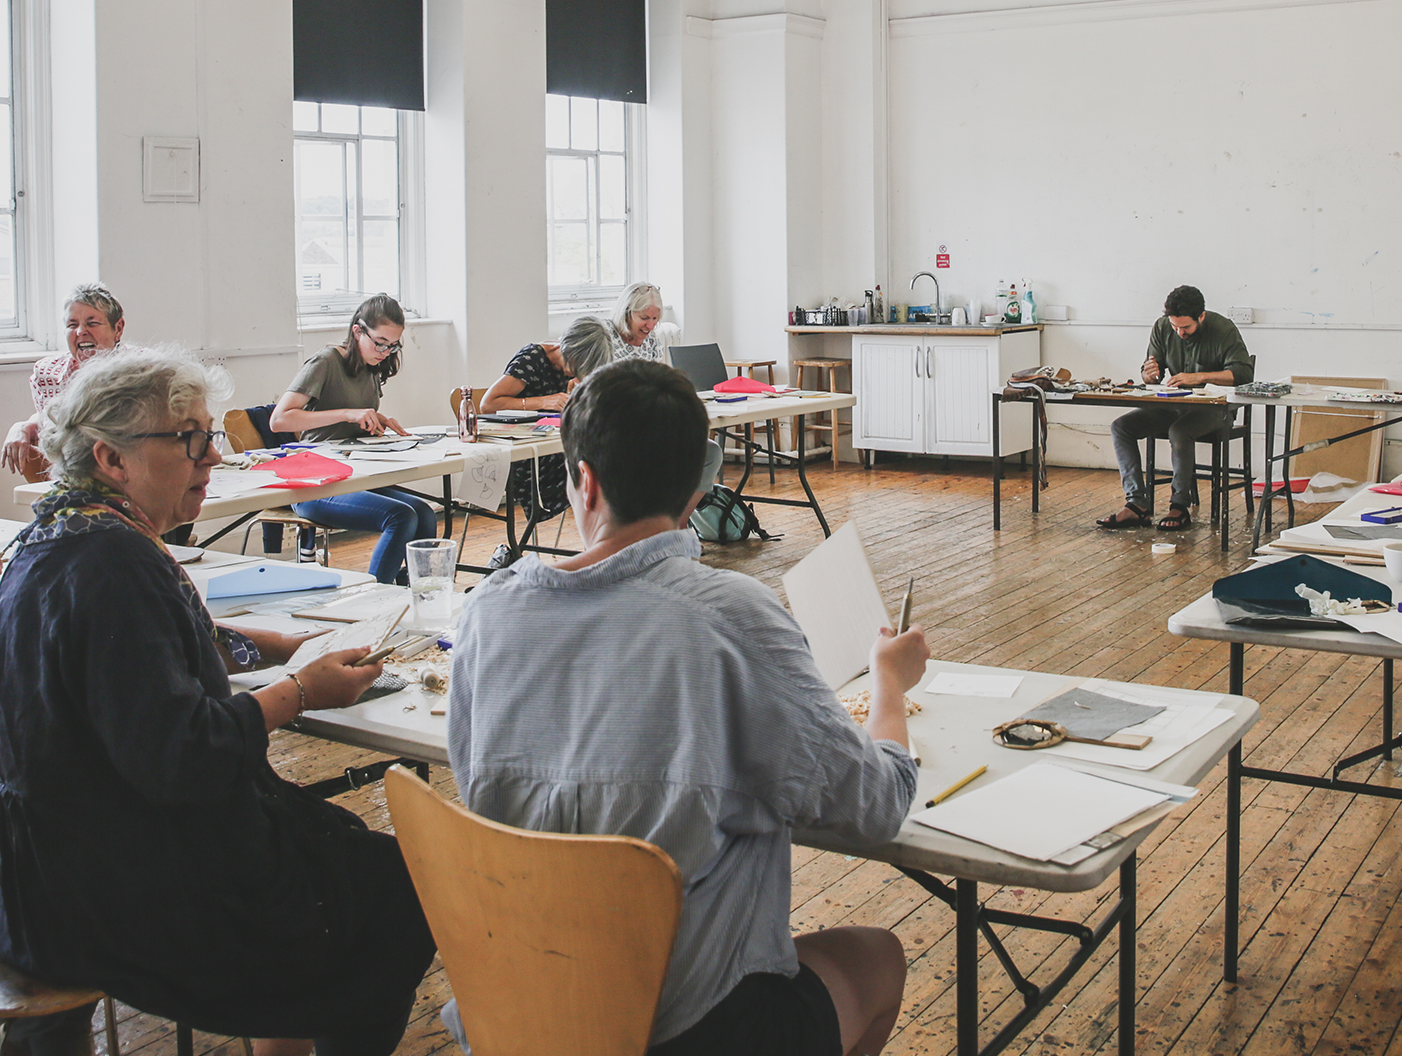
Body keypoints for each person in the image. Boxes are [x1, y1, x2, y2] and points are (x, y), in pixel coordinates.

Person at [449, 360, 925, 1055]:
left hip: (519, 1009)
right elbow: (876, 806)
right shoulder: (731, 618)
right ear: (700, 489)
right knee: (877, 958)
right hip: (677, 1026)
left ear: (584, 481)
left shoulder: (488, 612)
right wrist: (889, 687)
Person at [0, 346, 433, 1056]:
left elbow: (152, 650)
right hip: (111, 884)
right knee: (395, 893)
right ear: (112, 459)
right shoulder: (113, 564)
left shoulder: (62, 533)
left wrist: (279, 647)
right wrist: (300, 692)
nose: (214, 456)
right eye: (192, 440)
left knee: (348, 859)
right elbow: (183, 755)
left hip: (51, 859)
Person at [270, 294, 435, 584]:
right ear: (358, 331)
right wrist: (347, 413)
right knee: (402, 517)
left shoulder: (371, 366)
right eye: (380, 342)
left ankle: (414, 594)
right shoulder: (325, 362)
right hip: (313, 482)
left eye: (393, 345)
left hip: (354, 474)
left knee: (423, 513)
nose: (385, 351)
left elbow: (352, 418)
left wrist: (374, 420)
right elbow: (280, 419)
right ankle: (375, 600)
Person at [1097, 284, 1254, 533]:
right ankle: (1137, 503)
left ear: (1201, 316)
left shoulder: (1223, 329)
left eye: (1186, 327)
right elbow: (1151, 374)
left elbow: (1244, 374)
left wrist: (1197, 377)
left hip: (1216, 411)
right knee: (1121, 427)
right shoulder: (1162, 327)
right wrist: (1148, 374)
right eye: (1175, 326)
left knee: (1180, 431)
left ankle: (1180, 506)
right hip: (1174, 405)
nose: (1179, 332)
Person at [479, 317, 620, 526]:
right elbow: (488, 404)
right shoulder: (532, 359)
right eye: (578, 367)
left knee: (612, 465)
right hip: (527, 459)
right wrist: (544, 401)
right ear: (570, 351)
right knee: (600, 472)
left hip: (553, 448)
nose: (576, 374)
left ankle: (608, 540)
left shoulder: (574, 371)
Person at [2, 283, 126, 475]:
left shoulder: (143, 370)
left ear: (118, 328)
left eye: (92, 323)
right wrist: (23, 426)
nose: (80, 332)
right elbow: (48, 424)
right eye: (72, 325)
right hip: (69, 472)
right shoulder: (47, 372)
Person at [608, 281, 665, 362]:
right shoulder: (604, 337)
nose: (650, 326)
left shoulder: (651, 340)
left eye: (655, 318)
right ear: (626, 313)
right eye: (644, 318)